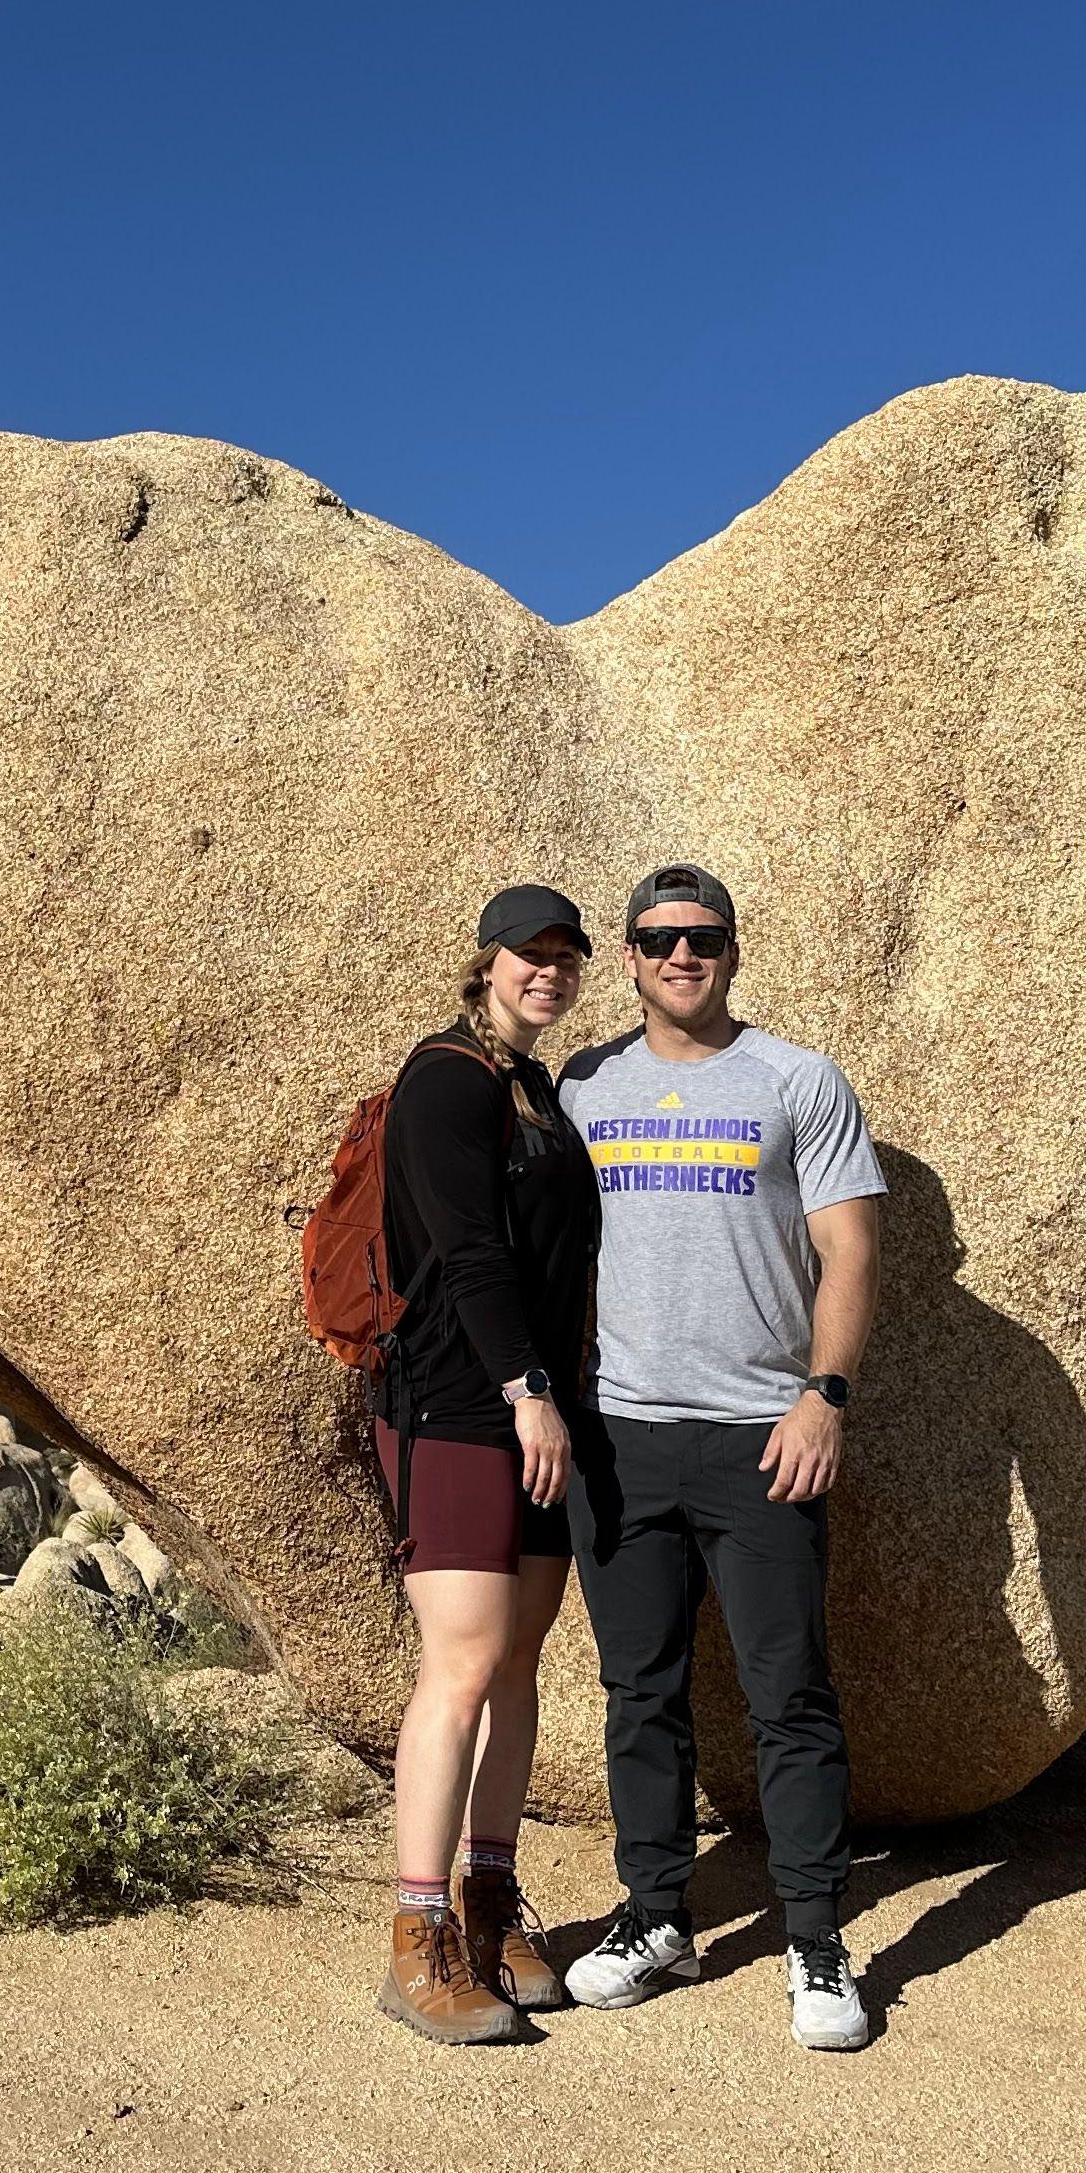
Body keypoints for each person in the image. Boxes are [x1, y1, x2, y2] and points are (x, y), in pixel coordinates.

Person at [557, 863, 887, 2052]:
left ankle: (814, 1940)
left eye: (702, 938)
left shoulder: (798, 1081)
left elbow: (850, 1249)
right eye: (657, 939)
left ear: (733, 951)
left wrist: (824, 1397)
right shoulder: (586, 1083)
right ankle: (655, 1919)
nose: (681, 956)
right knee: (638, 1694)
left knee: (787, 1697)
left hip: (762, 1440)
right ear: (631, 958)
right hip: (623, 1438)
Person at [368, 884, 604, 2045]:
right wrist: (525, 1392)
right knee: (460, 1664)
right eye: (529, 954)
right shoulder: (446, 1079)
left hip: (542, 1415)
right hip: (458, 1410)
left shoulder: (535, 1088)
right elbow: (466, 1252)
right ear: (486, 962)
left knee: (517, 1663)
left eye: (565, 957)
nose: (547, 972)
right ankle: (418, 1939)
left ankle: (491, 1900)